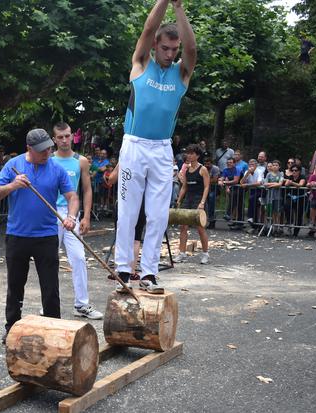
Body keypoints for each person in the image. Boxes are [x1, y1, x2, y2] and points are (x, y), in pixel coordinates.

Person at [115, 0, 196, 294]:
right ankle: (124, 267)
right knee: (128, 211)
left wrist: (179, 8)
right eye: (165, 48)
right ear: (155, 47)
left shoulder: (181, 74)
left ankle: (149, 272)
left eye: (174, 50)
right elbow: (149, 29)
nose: (170, 54)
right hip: (134, 145)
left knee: (158, 214)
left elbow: (192, 51)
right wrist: (164, 1)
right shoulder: (141, 64)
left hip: (162, 149)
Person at [0, 128, 78, 343]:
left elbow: (72, 196)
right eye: (42, 150)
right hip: (17, 235)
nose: (47, 153)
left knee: (50, 287)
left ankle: (54, 328)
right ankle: (11, 327)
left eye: (49, 148)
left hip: (46, 236)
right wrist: (13, 185)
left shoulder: (56, 168)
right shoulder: (14, 166)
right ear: (29, 148)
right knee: (15, 286)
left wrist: (72, 217)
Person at [51, 122, 103, 320]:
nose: (64, 140)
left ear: (72, 136)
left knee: (79, 258)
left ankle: (81, 304)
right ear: (54, 139)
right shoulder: (49, 160)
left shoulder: (80, 161)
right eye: (60, 137)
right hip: (51, 213)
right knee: (49, 259)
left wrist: (87, 216)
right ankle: (50, 304)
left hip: (72, 213)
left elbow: (87, 189)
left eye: (67, 136)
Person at [174, 144, 210, 264]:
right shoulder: (187, 169)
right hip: (188, 199)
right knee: (183, 227)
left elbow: (206, 187)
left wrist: (202, 202)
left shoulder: (203, 169)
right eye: (188, 153)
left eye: (191, 153)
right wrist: (179, 199)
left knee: (200, 228)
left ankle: (205, 253)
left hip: (198, 199)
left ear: (197, 155)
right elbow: (184, 186)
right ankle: (182, 253)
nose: (189, 155)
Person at [240, 159, 264, 231]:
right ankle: (253, 223)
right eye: (249, 165)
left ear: (256, 166)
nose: (251, 166)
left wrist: (247, 185)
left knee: (252, 199)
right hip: (252, 190)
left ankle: (251, 217)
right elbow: (241, 182)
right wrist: (247, 174)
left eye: (252, 165)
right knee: (253, 202)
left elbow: (258, 183)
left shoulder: (259, 171)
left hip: (260, 190)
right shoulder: (247, 172)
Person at [283, 165, 307, 237]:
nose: (294, 171)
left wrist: (292, 183)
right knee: (286, 206)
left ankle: (296, 232)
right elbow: (286, 184)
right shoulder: (290, 177)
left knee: (299, 214)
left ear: (299, 171)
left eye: (295, 170)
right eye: (292, 170)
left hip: (300, 197)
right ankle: (289, 222)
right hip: (291, 196)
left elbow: (300, 184)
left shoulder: (302, 177)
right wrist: (288, 182)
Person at [262, 160, 284, 234]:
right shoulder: (268, 174)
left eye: (276, 165)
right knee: (268, 211)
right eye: (273, 165)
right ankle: (267, 226)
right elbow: (265, 184)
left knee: (276, 212)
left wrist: (270, 185)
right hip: (269, 196)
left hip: (277, 196)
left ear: (279, 166)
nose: (275, 166)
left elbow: (280, 184)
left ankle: (276, 227)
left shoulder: (281, 174)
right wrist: (274, 184)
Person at [219, 158, 240, 222]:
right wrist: (220, 181)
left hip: (240, 187)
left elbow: (236, 181)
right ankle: (230, 216)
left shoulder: (237, 169)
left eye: (230, 162)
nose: (229, 164)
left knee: (236, 201)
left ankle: (229, 214)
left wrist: (224, 182)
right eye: (228, 162)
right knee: (232, 199)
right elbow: (222, 178)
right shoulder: (225, 170)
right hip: (232, 187)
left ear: (234, 163)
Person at [203, 157, 220, 228]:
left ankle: (212, 221)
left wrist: (205, 180)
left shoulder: (215, 169)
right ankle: (203, 220)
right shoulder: (203, 168)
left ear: (211, 163)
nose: (207, 165)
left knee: (211, 203)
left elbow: (215, 180)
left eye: (208, 164)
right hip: (205, 189)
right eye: (205, 164)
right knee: (204, 205)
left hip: (213, 189)